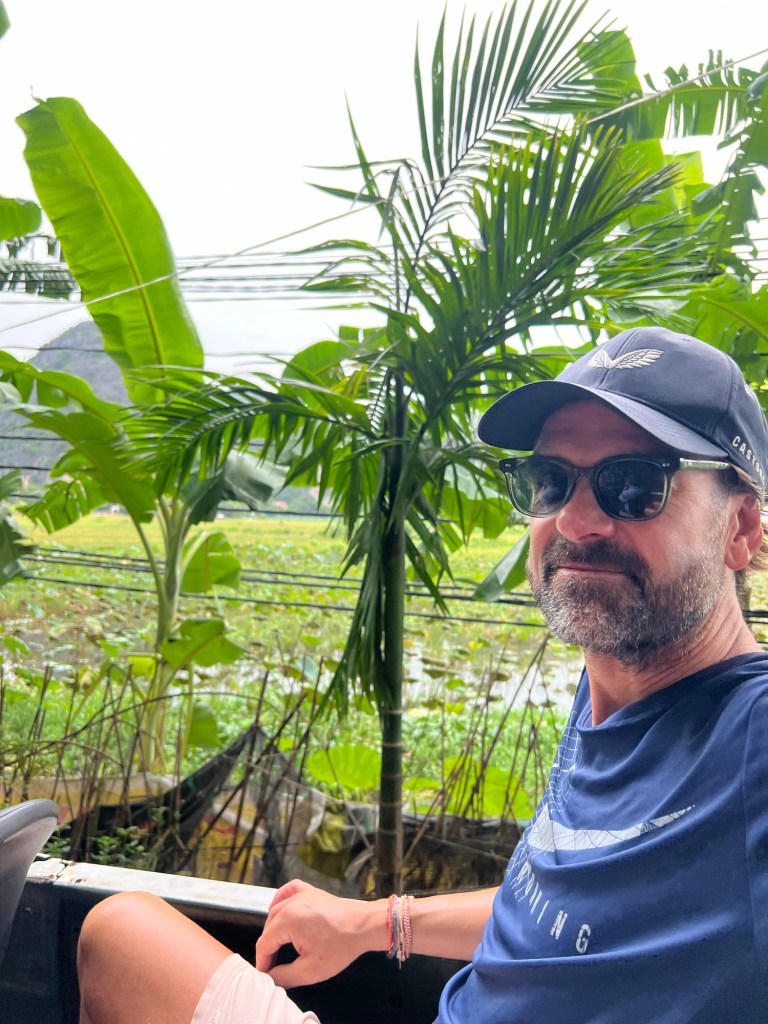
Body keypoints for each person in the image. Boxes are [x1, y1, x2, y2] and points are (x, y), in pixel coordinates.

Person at [77, 326, 768, 1024]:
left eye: (635, 485)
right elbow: (561, 911)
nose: (575, 520)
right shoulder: (610, 685)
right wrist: (376, 922)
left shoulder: (750, 736)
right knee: (120, 934)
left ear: (740, 528)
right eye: (551, 481)